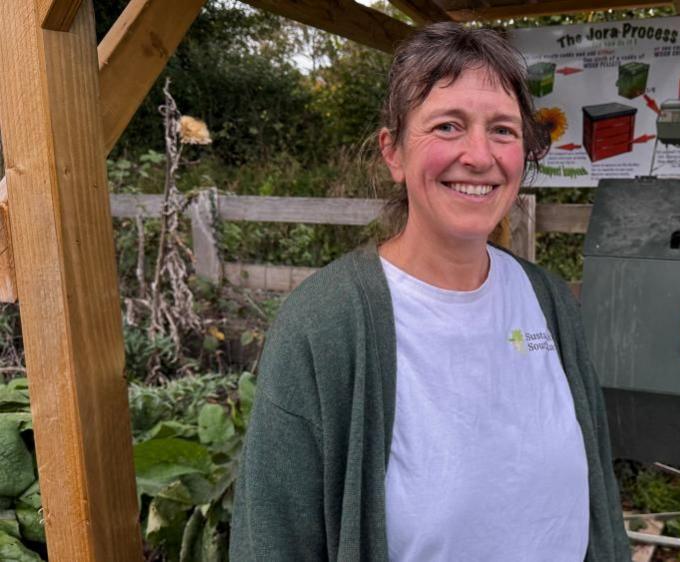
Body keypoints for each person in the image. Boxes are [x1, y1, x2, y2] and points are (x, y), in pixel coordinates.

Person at [230, 22, 630, 562]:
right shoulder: (324, 326)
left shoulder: (549, 302)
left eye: (503, 130)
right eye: (447, 126)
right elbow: (271, 540)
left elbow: (598, 505)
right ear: (393, 153)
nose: (479, 155)